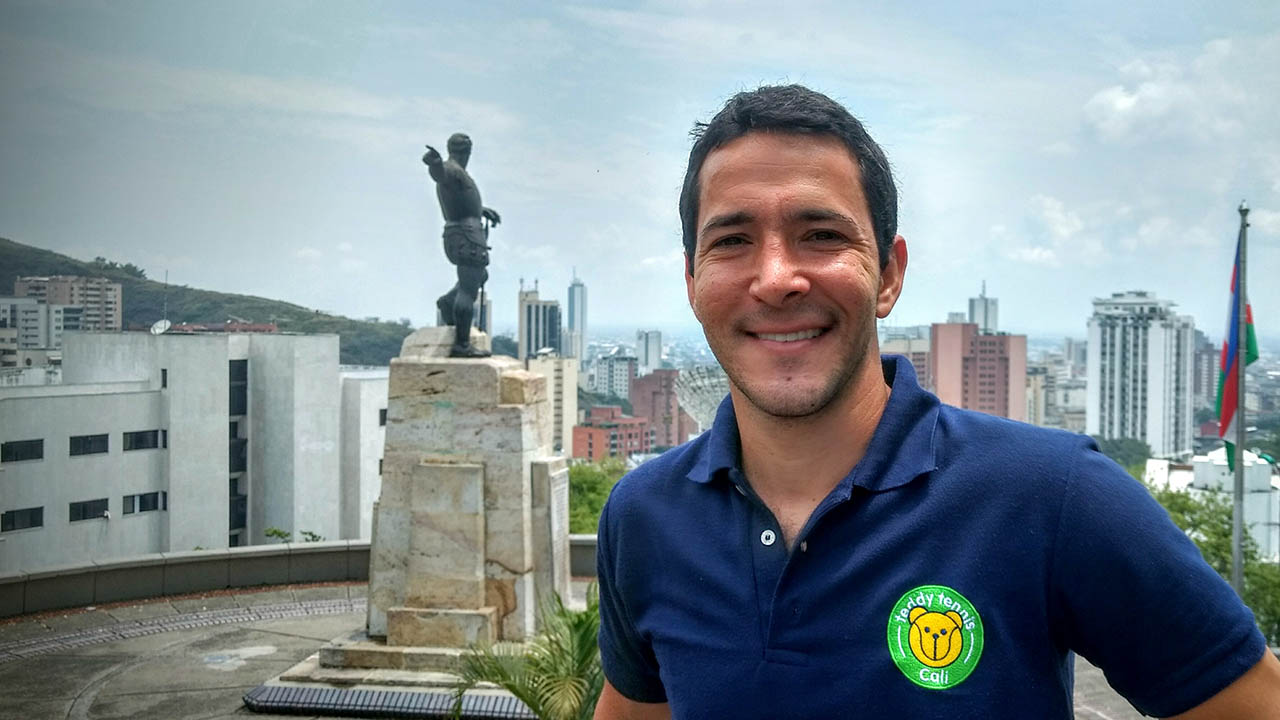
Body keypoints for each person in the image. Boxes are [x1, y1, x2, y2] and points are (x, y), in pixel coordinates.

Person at [594, 85, 1280, 719]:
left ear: (889, 274)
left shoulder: (1053, 497)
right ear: (692, 280)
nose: (776, 278)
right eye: (733, 241)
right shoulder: (646, 517)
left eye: (822, 235)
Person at [423, 132, 501, 357]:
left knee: (480, 277)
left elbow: (460, 201)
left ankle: (448, 302)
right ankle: (462, 345)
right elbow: (440, 175)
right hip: (466, 236)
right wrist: (435, 164)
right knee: (468, 290)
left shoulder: (459, 173)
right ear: (467, 152)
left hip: (462, 233)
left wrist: (481, 210)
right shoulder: (452, 169)